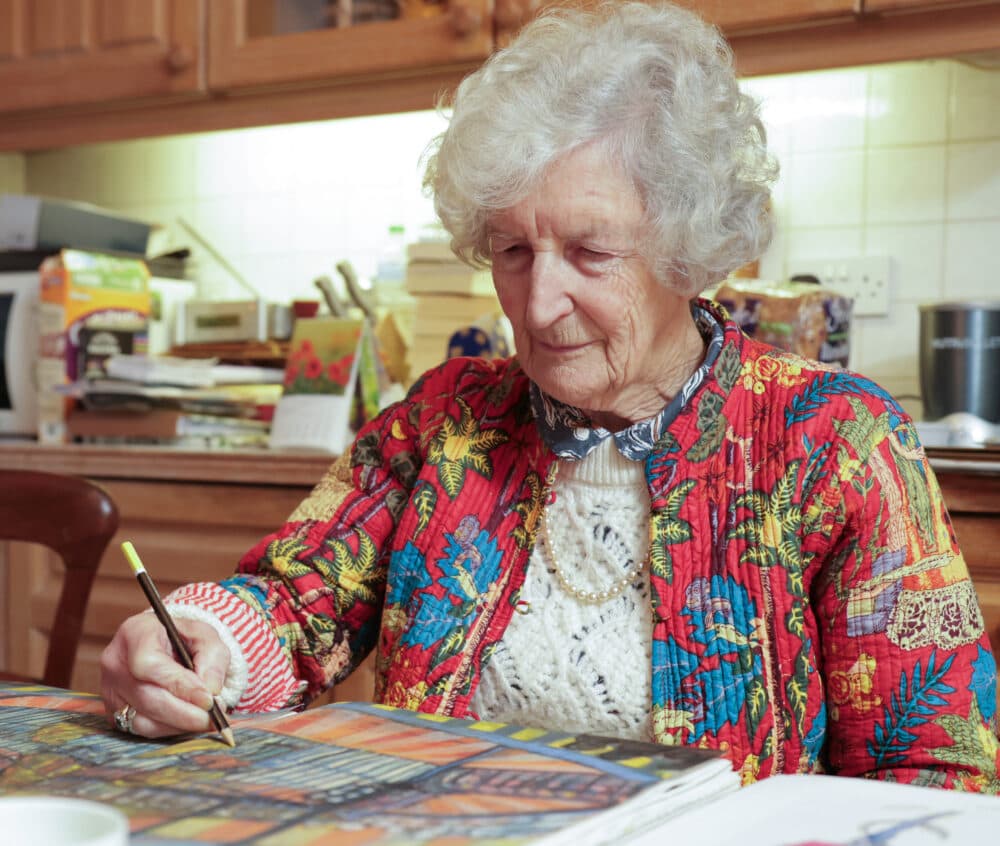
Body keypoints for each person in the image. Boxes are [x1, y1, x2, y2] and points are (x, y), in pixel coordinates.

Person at [101, 0, 1000, 791]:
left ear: (688, 252)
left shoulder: (832, 441)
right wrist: (202, 641)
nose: (537, 306)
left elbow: (936, 766)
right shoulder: (448, 419)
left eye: (591, 253)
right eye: (512, 251)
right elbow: (298, 605)